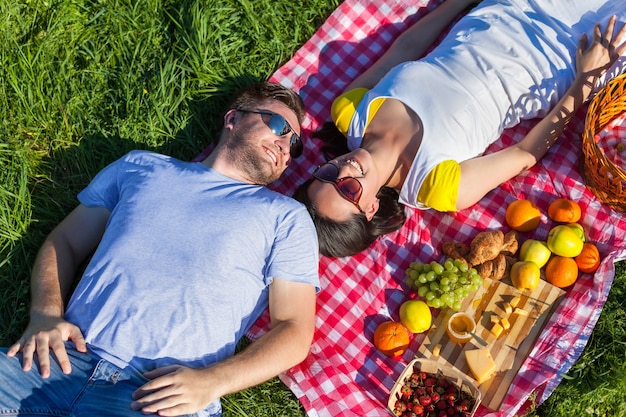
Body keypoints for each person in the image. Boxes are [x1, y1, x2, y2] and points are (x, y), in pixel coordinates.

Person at [0, 81, 320, 417]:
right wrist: (45, 313)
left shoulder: (286, 217)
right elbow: (64, 242)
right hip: (59, 361)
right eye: (278, 126)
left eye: (294, 145)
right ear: (233, 119)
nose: (286, 145)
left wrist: (211, 383)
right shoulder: (141, 167)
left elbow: (294, 329)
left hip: (157, 395)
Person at [294, 0, 626, 258]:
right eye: (348, 190)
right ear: (370, 209)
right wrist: (587, 79)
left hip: (504, 9)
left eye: (326, 175)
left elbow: (404, 48)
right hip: (565, 54)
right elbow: (524, 153)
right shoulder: (437, 186)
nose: (343, 170)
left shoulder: (351, 112)